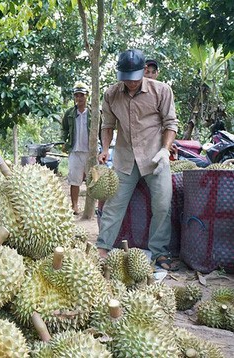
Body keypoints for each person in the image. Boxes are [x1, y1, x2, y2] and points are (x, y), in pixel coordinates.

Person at [96, 49, 179, 271]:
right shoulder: (111, 94)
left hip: (155, 157)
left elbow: (171, 124)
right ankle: (102, 247)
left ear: (144, 71)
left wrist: (165, 149)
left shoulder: (161, 91)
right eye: (126, 78)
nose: (130, 84)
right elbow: (108, 126)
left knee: (162, 204)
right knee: (114, 205)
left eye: (134, 78)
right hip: (124, 158)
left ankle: (159, 251)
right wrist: (105, 149)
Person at [61, 81, 91, 215]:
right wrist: (64, 142)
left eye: (81, 95)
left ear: (87, 96)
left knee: (94, 180)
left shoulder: (94, 112)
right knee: (75, 180)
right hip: (75, 150)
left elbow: (102, 129)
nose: (79, 98)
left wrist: (103, 148)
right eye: (76, 96)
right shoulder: (70, 113)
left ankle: (90, 208)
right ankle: (74, 205)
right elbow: (64, 129)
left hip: (91, 151)